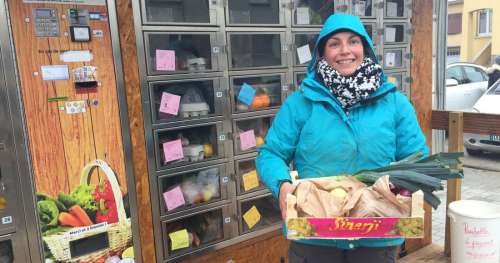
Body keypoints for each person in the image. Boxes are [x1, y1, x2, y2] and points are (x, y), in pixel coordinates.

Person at [256, 13, 429, 263]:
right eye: (334, 43)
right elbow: (271, 153)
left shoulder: (394, 103)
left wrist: (408, 188)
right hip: (314, 233)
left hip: (377, 234)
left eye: (353, 41)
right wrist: (282, 185)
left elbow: (417, 157)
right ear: (322, 53)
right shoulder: (301, 103)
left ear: (365, 48)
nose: (345, 50)